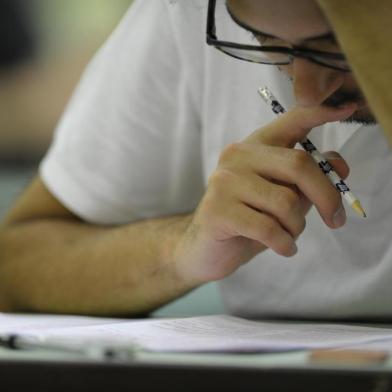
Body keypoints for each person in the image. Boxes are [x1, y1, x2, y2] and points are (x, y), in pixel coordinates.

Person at [1, 0, 391, 319]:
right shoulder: (188, 13)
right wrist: (182, 248)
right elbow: (15, 266)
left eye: (332, 48)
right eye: (267, 41)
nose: (305, 93)